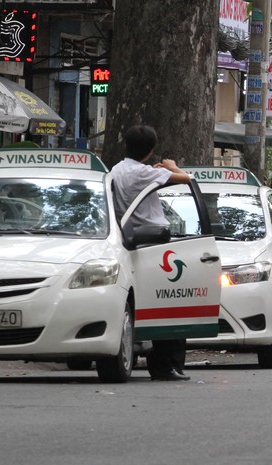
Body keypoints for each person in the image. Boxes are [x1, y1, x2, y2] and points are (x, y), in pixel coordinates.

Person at [110, 125, 192, 381]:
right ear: (151, 150)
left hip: (129, 238)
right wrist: (171, 166)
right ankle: (166, 365)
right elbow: (187, 179)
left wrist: (155, 171)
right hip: (155, 242)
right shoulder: (143, 173)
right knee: (172, 302)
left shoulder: (117, 169)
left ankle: (160, 361)